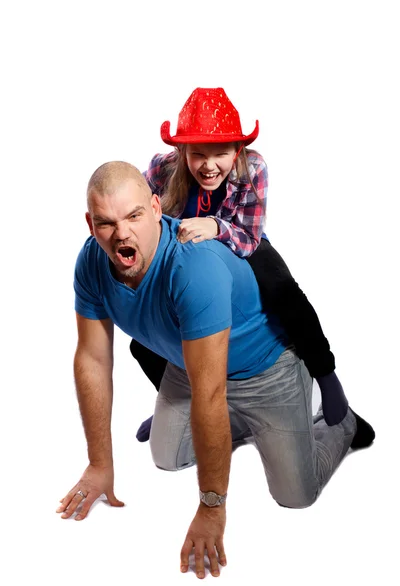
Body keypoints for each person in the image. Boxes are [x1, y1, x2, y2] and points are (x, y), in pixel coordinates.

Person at [57, 161, 374, 579]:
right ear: (90, 223)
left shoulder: (194, 267)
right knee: (166, 457)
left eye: (134, 215)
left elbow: (210, 394)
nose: (121, 234)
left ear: (155, 208)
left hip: (265, 368)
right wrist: (100, 465)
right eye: (106, 222)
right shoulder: (91, 262)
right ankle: (237, 428)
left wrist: (211, 506)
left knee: (296, 495)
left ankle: (342, 424)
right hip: (189, 364)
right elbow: (93, 359)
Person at [130, 87, 349, 443]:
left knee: (281, 287)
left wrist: (215, 226)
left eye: (220, 154)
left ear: (238, 151)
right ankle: (173, 404)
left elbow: (249, 238)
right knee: (144, 340)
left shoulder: (254, 168)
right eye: (198, 154)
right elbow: (134, 206)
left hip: (238, 242)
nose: (208, 165)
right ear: (182, 151)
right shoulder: (164, 168)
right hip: (185, 257)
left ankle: (327, 378)